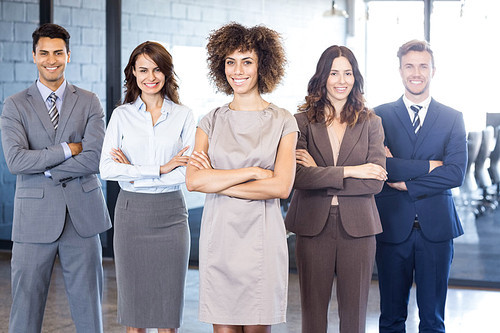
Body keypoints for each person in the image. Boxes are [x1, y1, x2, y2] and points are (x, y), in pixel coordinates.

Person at [185, 23, 298, 333]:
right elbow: (194, 182)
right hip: (220, 241)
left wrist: (218, 180)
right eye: (230, 61)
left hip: (262, 240)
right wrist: (251, 173)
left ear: (262, 64)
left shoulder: (283, 120)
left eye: (247, 61)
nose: (238, 70)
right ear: (221, 67)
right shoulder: (209, 120)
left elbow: (280, 186)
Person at [0, 23, 111, 332]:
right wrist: (66, 149)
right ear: (34, 56)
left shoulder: (89, 101)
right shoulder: (14, 105)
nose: (52, 60)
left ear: (68, 56)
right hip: (33, 219)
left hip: (83, 218)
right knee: (25, 309)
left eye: (58, 53)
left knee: (90, 310)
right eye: (44, 53)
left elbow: (94, 158)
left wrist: (46, 167)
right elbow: (16, 160)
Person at [284, 45, 387, 333]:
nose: (341, 80)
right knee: (312, 313)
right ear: (322, 77)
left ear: (356, 78)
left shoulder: (372, 123)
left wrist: (320, 172)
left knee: (354, 315)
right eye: (334, 73)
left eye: (348, 73)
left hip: (359, 227)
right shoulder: (301, 121)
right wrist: (352, 171)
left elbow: (375, 181)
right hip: (312, 225)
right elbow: (298, 178)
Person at [99, 41, 195, 333]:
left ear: (166, 73)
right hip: (131, 214)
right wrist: (162, 168)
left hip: (171, 214)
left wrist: (132, 171)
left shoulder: (184, 115)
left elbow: (190, 172)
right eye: (143, 70)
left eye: (156, 69)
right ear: (133, 73)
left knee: (168, 314)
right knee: (135, 314)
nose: (150, 77)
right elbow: (106, 169)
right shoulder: (121, 116)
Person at [374, 39, 467, 332]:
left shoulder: (453, 118)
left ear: (433, 70)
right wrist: (430, 167)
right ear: (400, 71)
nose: (416, 73)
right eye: (410, 66)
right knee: (390, 318)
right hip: (391, 227)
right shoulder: (379, 115)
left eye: (423, 66)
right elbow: (382, 169)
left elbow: (455, 174)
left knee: (433, 319)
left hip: (437, 231)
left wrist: (406, 183)